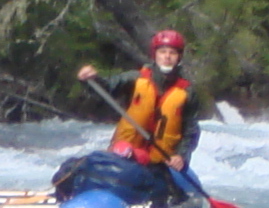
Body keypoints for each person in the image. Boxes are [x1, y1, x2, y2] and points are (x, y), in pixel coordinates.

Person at [77, 29, 199, 175]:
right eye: (162, 52)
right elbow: (108, 87)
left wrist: (181, 156)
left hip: (160, 164)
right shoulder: (135, 78)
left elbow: (190, 131)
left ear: (179, 57)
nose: (167, 57)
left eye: (172, 53)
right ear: (155, 55)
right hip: (125, 155)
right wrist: (92, 80)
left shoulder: (187, 92)